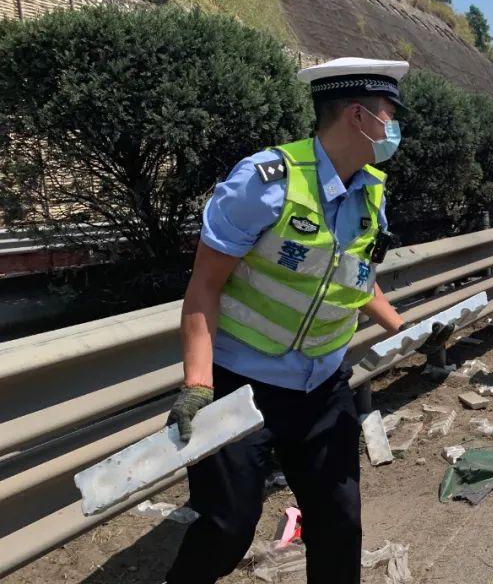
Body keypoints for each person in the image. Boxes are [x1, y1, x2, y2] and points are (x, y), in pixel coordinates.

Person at [164, 57, 453, 583]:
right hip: (240, 383)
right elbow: (204, 287)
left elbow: (357, 278)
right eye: (391, 115)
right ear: (357, 116)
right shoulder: (265, 181)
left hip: (322, 383)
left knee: (340, 521)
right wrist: (197, 385)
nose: (396, 128)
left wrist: (404, 328)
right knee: (228, 526)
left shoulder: (372, 191)